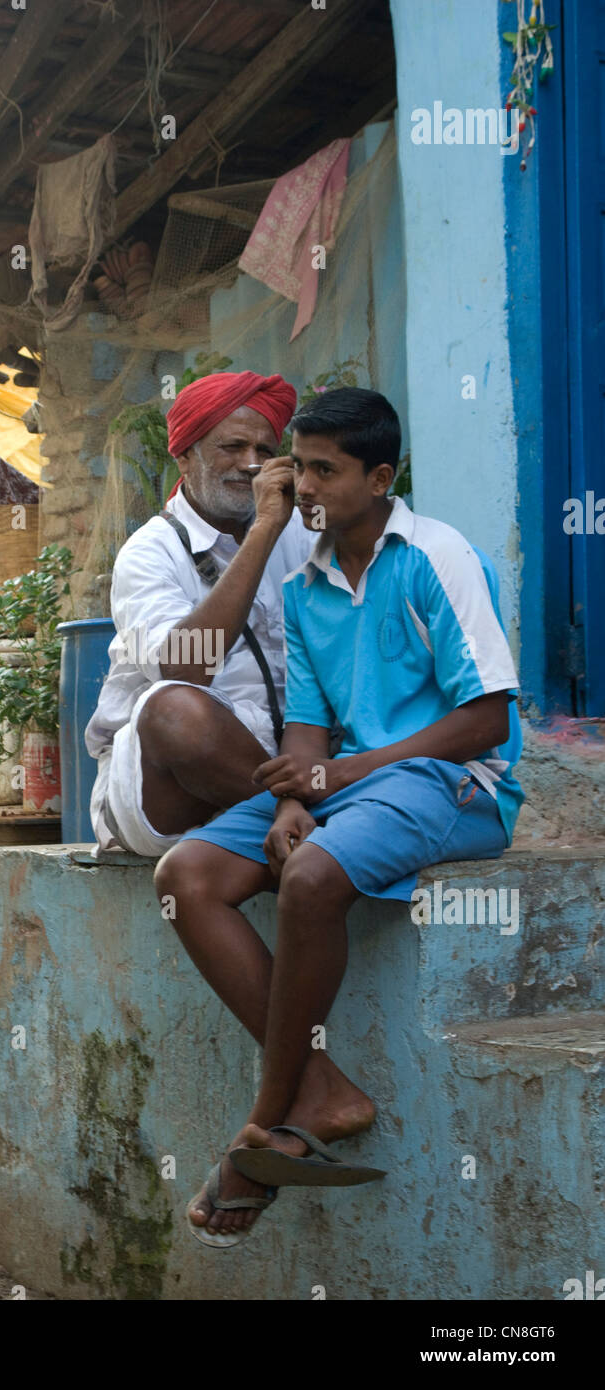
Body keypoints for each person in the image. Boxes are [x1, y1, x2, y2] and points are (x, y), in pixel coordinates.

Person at [154, 387, 524, 1247]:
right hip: (351, 786)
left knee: (313, 877)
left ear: (380, 476)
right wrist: (290, 796)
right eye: (300, 466)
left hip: (453, 782)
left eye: (325, 471)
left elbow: (488, 719)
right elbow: (308, 724)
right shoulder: (308, 581)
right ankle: (321, 1091)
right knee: (189, 876)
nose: (302, 489)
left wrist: (339, 774)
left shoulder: (437, 557)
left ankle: (267, 1121)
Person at [85, 369, 312, 858]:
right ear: (185, 456)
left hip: (290, 760)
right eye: (231, 447)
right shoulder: (149, 552)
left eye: (266, 451)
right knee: (174, 709)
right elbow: (186, 668)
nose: (251, 465)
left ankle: (296, 811)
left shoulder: (304, 535)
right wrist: (264, 532)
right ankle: (298, 815)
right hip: (170, 789)